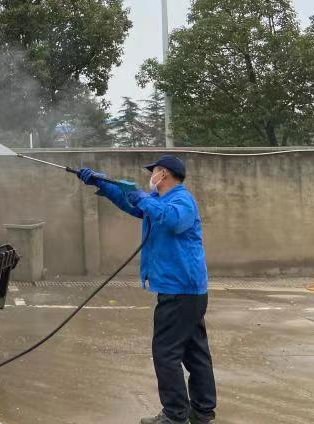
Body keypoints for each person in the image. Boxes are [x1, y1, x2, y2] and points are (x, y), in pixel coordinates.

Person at [77, 155, 216, 424]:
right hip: (184, 290)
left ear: (163, 174)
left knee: (166, 353)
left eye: (154, 172)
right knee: (194, 352)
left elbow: (173, 221)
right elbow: (131, 203)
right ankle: (202, 411)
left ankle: (175, 415)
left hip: (181, 290)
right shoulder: (159, 201)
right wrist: (102, 183)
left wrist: (143, 198)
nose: (150, 177)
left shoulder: (181, 200)